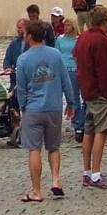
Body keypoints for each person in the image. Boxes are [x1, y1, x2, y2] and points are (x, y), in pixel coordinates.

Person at [11, 20, 79, 202]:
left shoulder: (23, 59)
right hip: (54, 107)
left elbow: (21, 89)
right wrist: (71, 103)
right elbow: (65, 81)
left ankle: (36, 190)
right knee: (54, 147)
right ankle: (56, 180)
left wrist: (22, 108)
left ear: (30, 36)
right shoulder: (56, 54)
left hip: (33, 108)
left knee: (34, 149)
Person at [74, 6, 107, 189]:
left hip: (87, 90)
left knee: (89, 131)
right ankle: (96, 174)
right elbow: (104, 69)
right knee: (102, 131)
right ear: (104, 20)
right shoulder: (102, 40)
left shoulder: (83, 37)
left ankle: (87, 172)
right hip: (100, 92)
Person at [51, 7, 85, 144]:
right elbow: (56, 53)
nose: (65, 27)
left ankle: (77, 122)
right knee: (62, 96)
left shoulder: (78, 39)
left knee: (74, 96)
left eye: (68, 25)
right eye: (65, 25)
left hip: (74, 69)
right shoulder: (60, 39)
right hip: (62, 69)